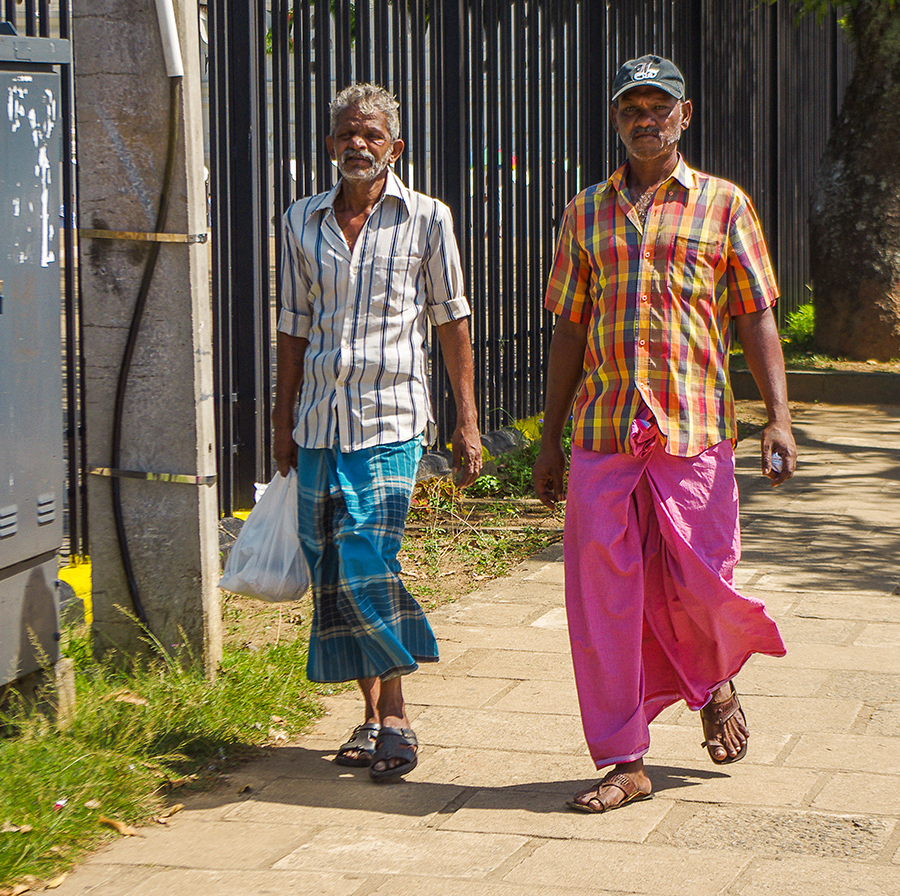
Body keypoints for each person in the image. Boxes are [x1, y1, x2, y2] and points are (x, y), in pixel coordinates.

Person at [531, 55, 797, 812]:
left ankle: (714, 680)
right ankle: (623, 758)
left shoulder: (724, 205)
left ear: (685, 116)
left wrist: (778, 417)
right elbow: (569, 331)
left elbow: (755, 315)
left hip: (696, 429)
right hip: (607, 431)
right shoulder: (586, 213)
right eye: (630, 110)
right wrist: (550, 440)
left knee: (703, 582)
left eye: (659, 108)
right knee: (602, 601)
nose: (645, 120)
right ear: (617, 121)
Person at [273, 83, 483, 782]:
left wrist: (469, 422)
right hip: (319, 425)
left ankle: (397, 715)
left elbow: (452, 319)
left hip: (392, 417)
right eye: (345, 134)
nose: (356, 145)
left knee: (367, 557)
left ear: (395, 147)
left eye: (371, 135)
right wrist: (282, 420)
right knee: (334, 569)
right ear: (331, 145)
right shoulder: (299, 221)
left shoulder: (427, 219)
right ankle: (369, 717)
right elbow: (293, 327)